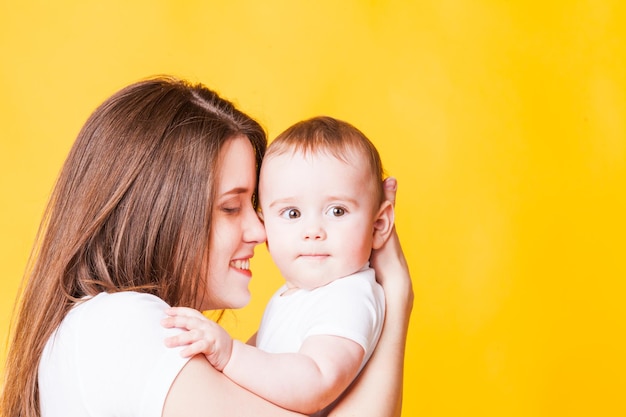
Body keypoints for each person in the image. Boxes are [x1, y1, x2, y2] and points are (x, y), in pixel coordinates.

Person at [0, 75, 413, 417]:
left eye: (252, 206)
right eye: (232, 207)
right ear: (160, 213)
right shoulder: (119, 321)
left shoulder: (113, 329)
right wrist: (395, 299)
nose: (260, 231)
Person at [162, 116, 395, 415]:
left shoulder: (349, 295)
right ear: (267, 227)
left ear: (379, 225)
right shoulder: (296, 296)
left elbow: (317, 379)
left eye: (337, 210)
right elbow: (264, 357)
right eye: (292, 213)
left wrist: (230, 353)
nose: (313, 230)